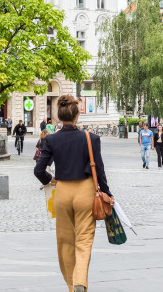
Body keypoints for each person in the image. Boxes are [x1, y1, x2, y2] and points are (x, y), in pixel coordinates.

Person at [34, 95, 111, 292]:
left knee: (65, 243)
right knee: (84, 240)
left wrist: (50, 180)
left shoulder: (51, 139)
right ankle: (80, 281)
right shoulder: (91, 138)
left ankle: (71, 286)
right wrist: (108, 193)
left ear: (59, 117)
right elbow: (99, 171)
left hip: (62, 192)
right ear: (77, 116)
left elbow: (39, 170)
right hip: (85, 191)